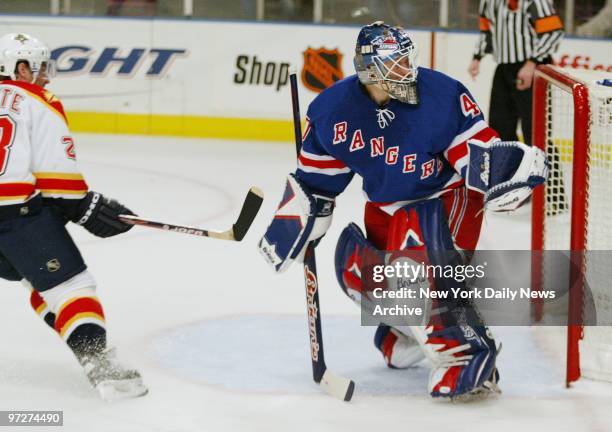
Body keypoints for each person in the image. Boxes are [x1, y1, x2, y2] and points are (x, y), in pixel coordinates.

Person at [259, 22, 548, 400]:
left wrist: (506, 170)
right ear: (367, 72)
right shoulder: (333, 111)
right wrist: (299, 220)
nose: (405, 70)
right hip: (385, 206)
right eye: (393, 65)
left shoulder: (442, 95)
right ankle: (408, 330)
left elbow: (477, 156)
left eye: (405, 60)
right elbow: (315, 184)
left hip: (446, 199)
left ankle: (470, 353)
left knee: (415, 263)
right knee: (356, 270)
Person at [0, 33, 147, 401]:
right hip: (14, 217)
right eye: (40, 68)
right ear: (20, 68)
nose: (47, 77)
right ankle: (100, 364)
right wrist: (86, 207)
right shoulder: (38, 100)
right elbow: (58, 180)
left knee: (36, 278)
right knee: (69, 286)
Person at [468, 0, 564, 145]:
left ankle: (544, 167)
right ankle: (509, 166)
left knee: (534, 128)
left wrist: (532, 62)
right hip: (504, 67)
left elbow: (552, 33)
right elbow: (487, 31)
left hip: (533, 68)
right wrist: (477, 57)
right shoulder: (488, 2)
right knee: (499, 125)